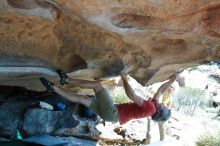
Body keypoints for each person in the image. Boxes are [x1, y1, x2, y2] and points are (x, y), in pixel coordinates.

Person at [40, 71, 177, 125]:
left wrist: (124, 79)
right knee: (82, 99)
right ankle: (54, 88)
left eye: (164, 107)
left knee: (97, 85)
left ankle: (67, 80)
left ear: (160, 112)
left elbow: (132, 95)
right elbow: (160, 90)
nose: (164, 104)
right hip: (111, 116)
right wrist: (172, 80)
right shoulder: (154, 105)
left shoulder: (151, 108)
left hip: (113, 113)